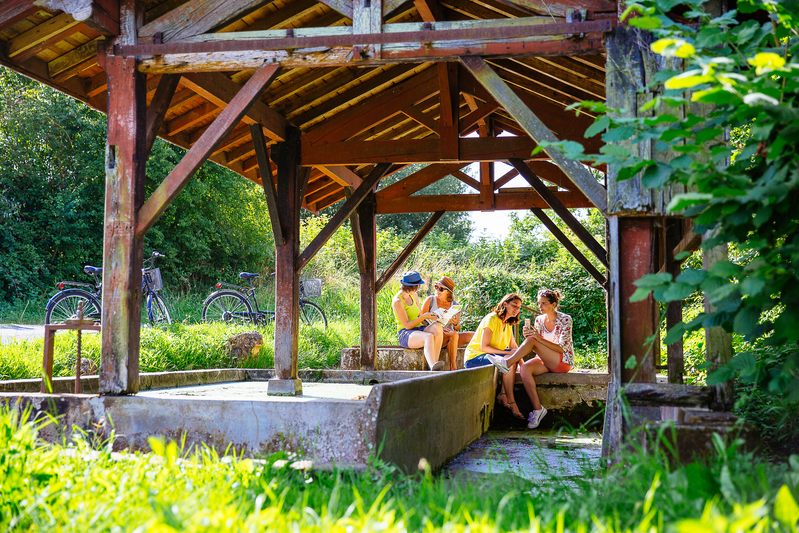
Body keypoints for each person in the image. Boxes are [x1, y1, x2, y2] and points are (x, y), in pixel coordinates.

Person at [463, 293, 538, 420]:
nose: (517, 309)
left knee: (511, 358)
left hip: (493, 357)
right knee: (508, 359)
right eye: (514, 305)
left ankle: (503, 394)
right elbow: (484, 347)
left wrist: (522, 366)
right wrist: (510, 354)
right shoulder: (491, 318)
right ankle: (511, 401)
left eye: (519, 307)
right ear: (505, 304)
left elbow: (515, 348)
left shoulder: (508, 323)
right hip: (475, 358)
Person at [518, 289, 574, 429]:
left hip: (562, 361)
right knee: (525, 368)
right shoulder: (539, 320)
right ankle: (538, 409)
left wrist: (536, 339)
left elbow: (562, 348)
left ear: (553, 304)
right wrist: (531, 337)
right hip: (544, 360)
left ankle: (507, 363)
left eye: (543, 303)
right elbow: (537, 344)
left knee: (533, 340)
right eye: (538, 303)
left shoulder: (565, 319)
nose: (540, 307)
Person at [392, 271, 446, 371]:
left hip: (418, 329)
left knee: (438, 327)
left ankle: (434, 365)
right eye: (418, 286)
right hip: (406, 333)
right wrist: (423, 317)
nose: (419, 288)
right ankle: (433, 366)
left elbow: (421, 318)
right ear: (413, 287)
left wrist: (432, 317)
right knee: (428, 337)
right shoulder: (398, 301)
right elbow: (407, 325)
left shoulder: (414, 295)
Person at [421, 276, 474, 370]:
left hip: (448, 337)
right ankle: (453, 367)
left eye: (441, 289)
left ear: (448, 292)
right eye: (436, 287)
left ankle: (479, 361)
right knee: (453, 334)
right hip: (432, 336)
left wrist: (456, 324)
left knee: (473, 336)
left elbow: (457, 328)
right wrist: (436, 326)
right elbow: (421, 321)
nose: (437, 291)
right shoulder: (430, 300)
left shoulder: (455, 305)